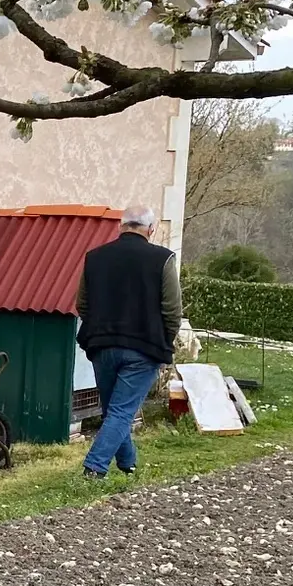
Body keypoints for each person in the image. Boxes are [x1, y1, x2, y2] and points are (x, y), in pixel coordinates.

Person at [75, 204, 182, 478]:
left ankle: (127, 464)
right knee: (121, 412)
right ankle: (94, 467)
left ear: (119, 226)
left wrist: (100, 328)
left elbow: (82, 305)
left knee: (113, 411)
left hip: (101, 346)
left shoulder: (94, 258)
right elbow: (172, 311)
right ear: (151, 230)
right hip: (143, 349)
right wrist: (164, 343)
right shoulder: (163, 259)